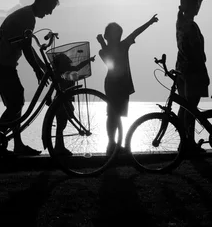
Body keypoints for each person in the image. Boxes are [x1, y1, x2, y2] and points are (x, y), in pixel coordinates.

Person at [0, 0, 59, 156]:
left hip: (3, 64)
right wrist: (37, 69)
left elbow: (27, 46)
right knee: (16, 104)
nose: (49, 13)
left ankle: (16, 144)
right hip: (1, 65)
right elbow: (27, 48)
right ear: (42, 3)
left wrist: (41, 67)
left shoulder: (26, 15)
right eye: (49, 8)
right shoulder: (27, 18)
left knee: (17, 102)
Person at [97, 14, 158, 155]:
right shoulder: (104, 50)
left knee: (118, 115)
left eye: (118, 35)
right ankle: (111, 144)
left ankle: (116, 145)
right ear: (107, 36)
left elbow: (136, 32)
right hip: (113, 84)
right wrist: (102, 44)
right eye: (114, 35)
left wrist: (149, 22)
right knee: (112, 115)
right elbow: (109, 60)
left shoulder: (123, 45)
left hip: (123, 85)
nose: (117, 37)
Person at [175, 0, 210, 155]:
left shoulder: (180, 22)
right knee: (191, 109)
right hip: (193, 72)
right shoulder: (191, 26)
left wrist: (201, 0)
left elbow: (193, 11)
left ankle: (184, 143)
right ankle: (189, 143)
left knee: (185, 107)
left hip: (181, 70)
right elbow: (196, 52)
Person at [50, 52, 96, 156]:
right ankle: (59, 147)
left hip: (63, 101)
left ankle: (59, 147)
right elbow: (53, 86)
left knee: (61, 125)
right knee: (61, 125)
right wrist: (88, 60)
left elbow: (78, 67)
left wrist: (88, 60)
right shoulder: (61, 73)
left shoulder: (64, 72)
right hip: (62, 101)